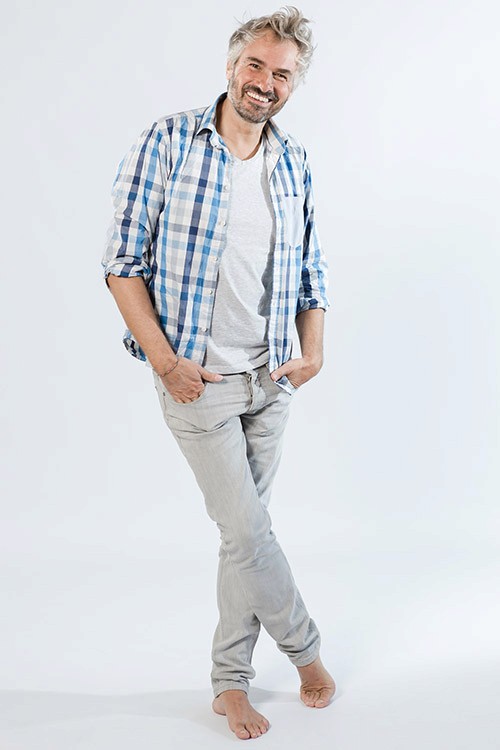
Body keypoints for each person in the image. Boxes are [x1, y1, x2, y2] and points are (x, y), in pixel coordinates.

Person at [102, 5, 335, 741]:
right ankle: (307, 654)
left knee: (244, 539)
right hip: (197, 382)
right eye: (255, 65)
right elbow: (121, 263)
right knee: (250, 533)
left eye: (282, 73)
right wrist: (167, 363)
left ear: (294, 84)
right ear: (232, 66)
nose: (265, 82)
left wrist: (314, 351)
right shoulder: (169, 141)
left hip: (271, 380)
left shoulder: (293, 160)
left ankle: (229, 684)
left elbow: (312, 267)